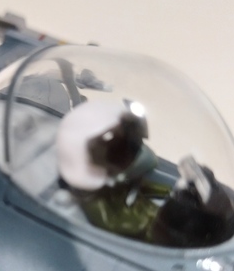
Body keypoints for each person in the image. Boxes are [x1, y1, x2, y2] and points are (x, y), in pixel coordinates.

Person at [56, 101, 170, 241]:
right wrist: (148, 221)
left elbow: (135, 186)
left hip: (148, 214)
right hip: (145, 229)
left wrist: (168, 191)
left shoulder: (114, 178)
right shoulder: (90, 196)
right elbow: (110, 224)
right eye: (118, 151)